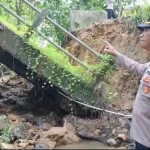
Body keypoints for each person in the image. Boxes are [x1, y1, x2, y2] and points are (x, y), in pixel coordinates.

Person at [104, 17, 150, 149]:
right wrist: (116, 54)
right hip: (142, 136)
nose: (140, 34)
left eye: (146, 30)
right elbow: (137, 67)